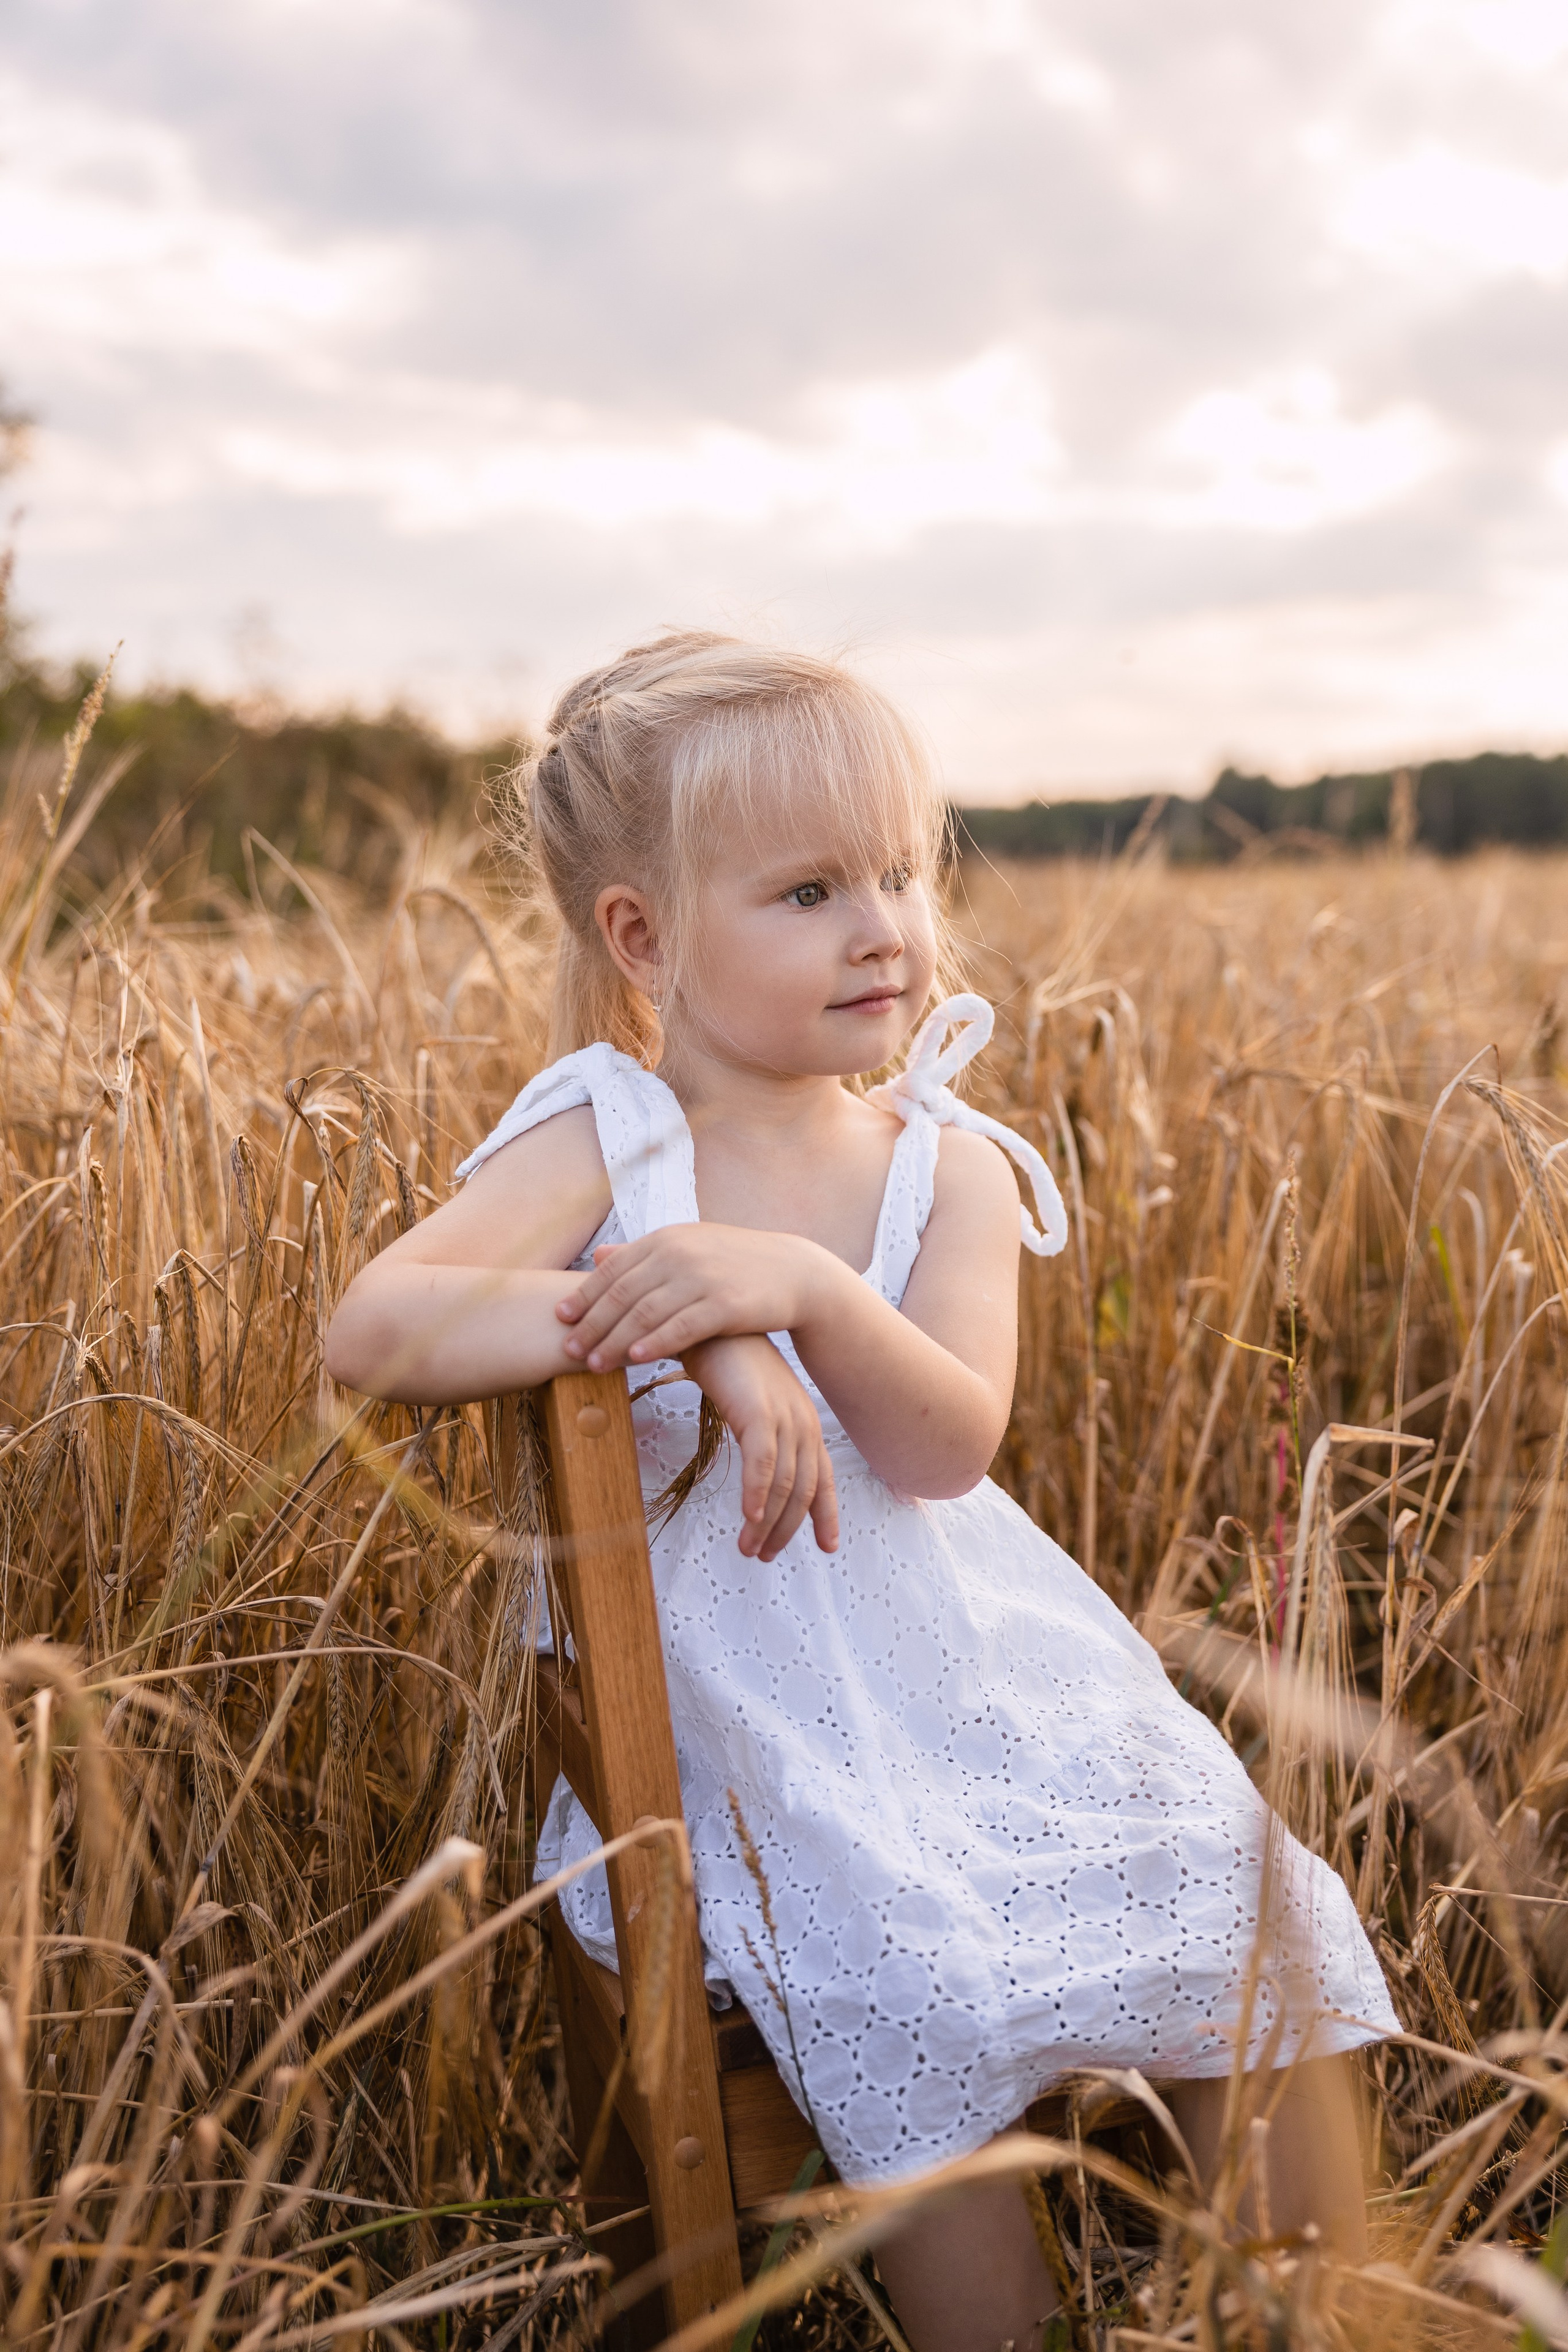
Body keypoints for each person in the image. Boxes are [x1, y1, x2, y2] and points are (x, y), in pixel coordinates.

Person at [325, 633, 1398, 2352]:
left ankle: (1337, 2322)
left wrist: (803, 1298)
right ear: (644, 938)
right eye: (812, 888)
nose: (884, 922)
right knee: (926, 1973)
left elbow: (944, 1445)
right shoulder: (608, 1133)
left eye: (902, 871)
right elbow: (379, 1323)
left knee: (1247, 1899)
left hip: (983, 1678)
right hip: (743, 1726)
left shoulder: (946, 1165)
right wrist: (701, 1340)